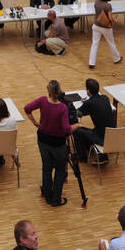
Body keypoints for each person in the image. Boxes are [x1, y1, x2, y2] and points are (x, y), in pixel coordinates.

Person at [25, 79, 78, 207]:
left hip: (42, 139)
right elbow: (66, 129)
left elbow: (27, 108)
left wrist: (34, 122)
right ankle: (55, 199)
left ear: (48, 90)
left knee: (47, 166)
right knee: (60, 169)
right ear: (59, 92)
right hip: (57, 143)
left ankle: (46, 192)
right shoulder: (62, 108)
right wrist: (77, 125)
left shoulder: (43, 101)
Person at [72, 77, 114, 164]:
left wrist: (86, 104)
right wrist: (88, 102)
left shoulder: (89, 103)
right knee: (93, 129)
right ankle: (102, 156)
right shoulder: (105, 98)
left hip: (101, 138)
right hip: (113, 136)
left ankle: (82, 157)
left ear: (88, 90)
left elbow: (78, 113)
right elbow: (96, 104)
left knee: (76, 129)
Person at [88, 0, 123, 68]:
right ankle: (117, 58)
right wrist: (115, 20)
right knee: (111, 43)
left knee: (94, 44)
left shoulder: (96, 3)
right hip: (106, 27)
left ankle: (91, 62)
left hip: (96, 26)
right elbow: (110, 18)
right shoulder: (108, 5)